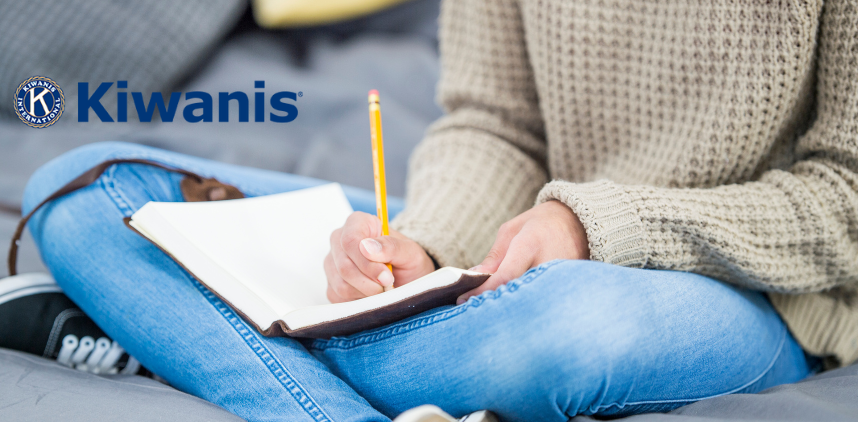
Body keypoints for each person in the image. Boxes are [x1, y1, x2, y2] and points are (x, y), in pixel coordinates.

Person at [7, 0, 858, 421]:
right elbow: (492, 123)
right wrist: (412, 242)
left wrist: (594, 228)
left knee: (565, 336)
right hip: (509, 251)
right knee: (87, 192)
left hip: (753, 293)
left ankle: (178, 341)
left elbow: (847, 198)